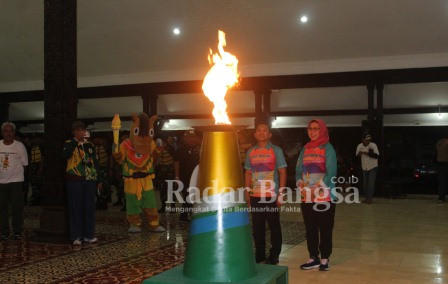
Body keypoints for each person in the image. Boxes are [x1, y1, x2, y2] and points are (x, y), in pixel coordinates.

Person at [112, 113, 165, 233]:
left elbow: (155, 155)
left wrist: (159, 150)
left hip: (146, 179)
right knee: (132, 202)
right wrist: (116, 152)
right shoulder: (125, 145)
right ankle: (134, 223)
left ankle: (153, 223)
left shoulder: (150, 142)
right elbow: (119, 157)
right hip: (131, 179)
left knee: (150, 201)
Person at [296, 119, 337, 271]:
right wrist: (300, 182)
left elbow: (331, 172)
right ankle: (313, 257)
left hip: (324, 196)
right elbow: (298, 170)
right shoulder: (304, 149)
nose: (312, 132)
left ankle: (325, 258)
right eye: (310, 129)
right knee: (310, 228)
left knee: (325, 228)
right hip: (307, 196)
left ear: (322, 130)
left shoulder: (328, 148)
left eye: (316, 129)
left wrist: (316, 189)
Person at [244, 121, 287, 265]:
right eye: (259, 130)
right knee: (257, 227)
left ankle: (274, 254)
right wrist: (247, 192)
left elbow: (282, 172)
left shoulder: (276, 150)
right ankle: (260, 254)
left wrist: (280, 193)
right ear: (255, 134)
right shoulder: (251, 152)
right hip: (255, 195)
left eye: (264, 130)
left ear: (269, 135)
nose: (261, 132)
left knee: (274, 226)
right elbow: (248, 173)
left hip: (271, 195)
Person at [63, 121, 102, 245]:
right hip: (74, 180)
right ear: (73, 132)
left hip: (89, 179)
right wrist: (76, 140)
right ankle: (76, 236)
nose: (80, 132)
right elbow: (66, 154)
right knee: (75, 208)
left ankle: (88, 235)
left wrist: (99, 180)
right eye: (77, 130)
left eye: (82, 130)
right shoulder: (69, 143)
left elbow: (95, 163)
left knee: (89, 207)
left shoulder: (90, 145)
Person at [0, 122, 28, 241]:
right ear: (2, 133)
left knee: (17, 208)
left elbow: (25, 165)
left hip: (16, 181)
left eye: (11, 131)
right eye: (6, 131)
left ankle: (17, 232)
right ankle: (4, 232)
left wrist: (22, 181)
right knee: (1, 208)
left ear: (14, 133)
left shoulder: (19, 146)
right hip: (1, 182)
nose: (8, 133)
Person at [173, 130, 201, 223]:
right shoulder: (181, 149)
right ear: (186, 139)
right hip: (184, 177)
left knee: (192, 196)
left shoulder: (198, 149)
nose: (192, 140)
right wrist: (177, 177)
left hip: (195, 177)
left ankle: (187, 214)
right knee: (187, 196)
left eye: (193, 137)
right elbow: (176, 162)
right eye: (190, 138)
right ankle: (183, 216)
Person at [356, 132, 379, 204]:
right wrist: (361, 153)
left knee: (371, 184)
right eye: (366, 139)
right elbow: (357, 155)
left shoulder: (373, 145)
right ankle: (366, 198)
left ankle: (370, 199)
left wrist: (367, 153)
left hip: (372, 166)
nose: (368, 141)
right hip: (364, 167)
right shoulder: (360, 146)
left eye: (369, 139)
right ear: (363, 140)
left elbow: (377, 155)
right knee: (365, 184)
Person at [154, 138, 174, 213]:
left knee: (171, 189)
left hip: (169, 170)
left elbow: (174, 159)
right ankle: (163, 206)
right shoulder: (157, 149)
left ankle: (172, 207)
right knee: (162, 189)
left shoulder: (169, 148)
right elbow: (156, 159)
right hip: (161, 170)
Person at [436, 135, 448, 203]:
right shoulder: (447, 142)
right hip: (446, 163)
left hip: (440, 164)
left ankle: (441, 198)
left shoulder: (438, 142)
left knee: (441, 182)